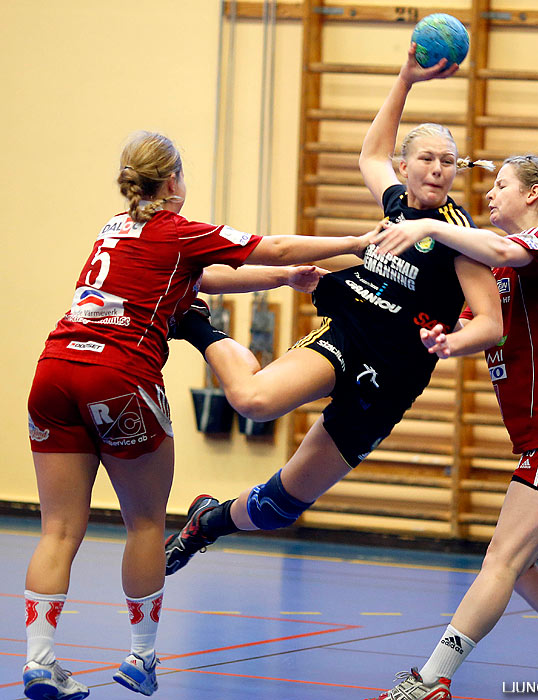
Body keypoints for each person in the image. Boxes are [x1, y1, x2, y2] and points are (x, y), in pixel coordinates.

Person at [23, 130, 376, 700]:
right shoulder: (180, 231)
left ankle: (40, 662)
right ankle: (140, 659)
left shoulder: (113, 230)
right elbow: (277, 246)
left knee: (59, 529)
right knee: (144, 523)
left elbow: (204, 276)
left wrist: (284, 279)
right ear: (173, 181)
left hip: (55, 369)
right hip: (118, 375)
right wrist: (361, 241)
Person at [162, 48, 502, 577]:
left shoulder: (460, 239)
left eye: (448, 161)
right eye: (427, 158)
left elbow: (491, 323)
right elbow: (370, 155)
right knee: (254, 400)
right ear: (406, 167)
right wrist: (406, 77)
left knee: (280, 508)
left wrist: (452, 342)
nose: (438, 169)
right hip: (345, 338)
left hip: (389, 384)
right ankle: (193, 322)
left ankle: (206, 523)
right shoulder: (394, 206)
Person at [365, 154, 538, 700]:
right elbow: (483, 329)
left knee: (501, 560)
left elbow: (494, 248)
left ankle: (431, 678)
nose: (490, 195)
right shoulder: (508, 274)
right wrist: (440, 337)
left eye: (502, 185)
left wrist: (428, 223)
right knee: (522, 564)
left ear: (534, 194)